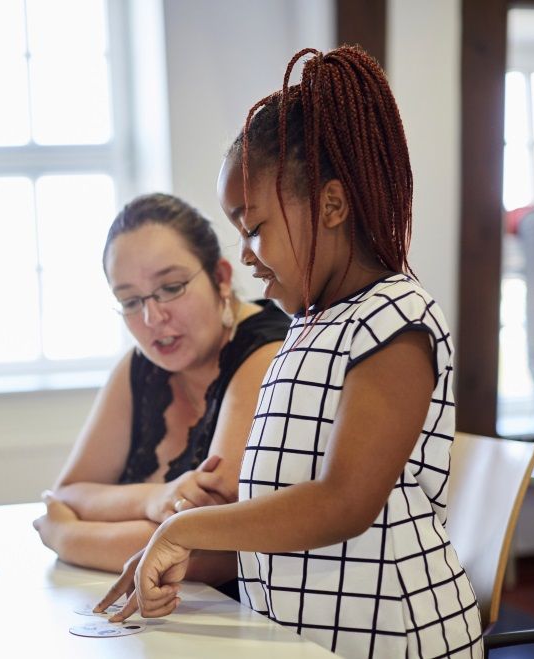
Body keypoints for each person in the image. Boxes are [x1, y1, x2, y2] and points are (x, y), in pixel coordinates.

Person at [96, 46, 484, 658]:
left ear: (331, 205)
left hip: (398, 642)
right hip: (300, 640)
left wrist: (183, 528)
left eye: (253, 227)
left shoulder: (396, 320)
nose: (246, 254)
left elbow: (344, 502)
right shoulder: (305, 327)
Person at [32, 192, 288, 589]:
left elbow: (214, 550)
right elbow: (66, 494)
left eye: (170, 288)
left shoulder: (263, 353)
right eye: (130, 301)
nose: (152, 317)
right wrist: (153, 499)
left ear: (220, 277)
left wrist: (67, 537)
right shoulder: (142, 365)